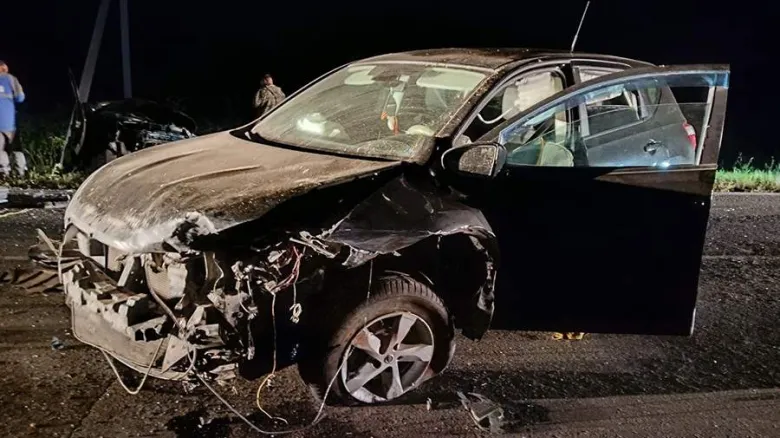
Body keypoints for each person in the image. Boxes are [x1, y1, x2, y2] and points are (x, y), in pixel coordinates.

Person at [0, 60, 26, 177]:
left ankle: (4, 173)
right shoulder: (12, 80)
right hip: (10, 123)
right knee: (15, 148)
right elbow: (20, 98)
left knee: (1, 149)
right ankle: (20, 172)